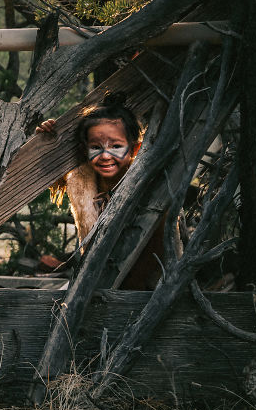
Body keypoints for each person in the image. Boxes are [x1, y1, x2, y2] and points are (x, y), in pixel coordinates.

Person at [37, 92, 164, 290]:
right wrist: (49, 138)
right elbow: (52, 172)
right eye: (96, 147)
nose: (105, 155)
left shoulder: (148, 182)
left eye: (116, 146)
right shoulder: (81, 178)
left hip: (148, 279)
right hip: (95, 277)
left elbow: (157, 246)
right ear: (85, 149)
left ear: (135, 148)